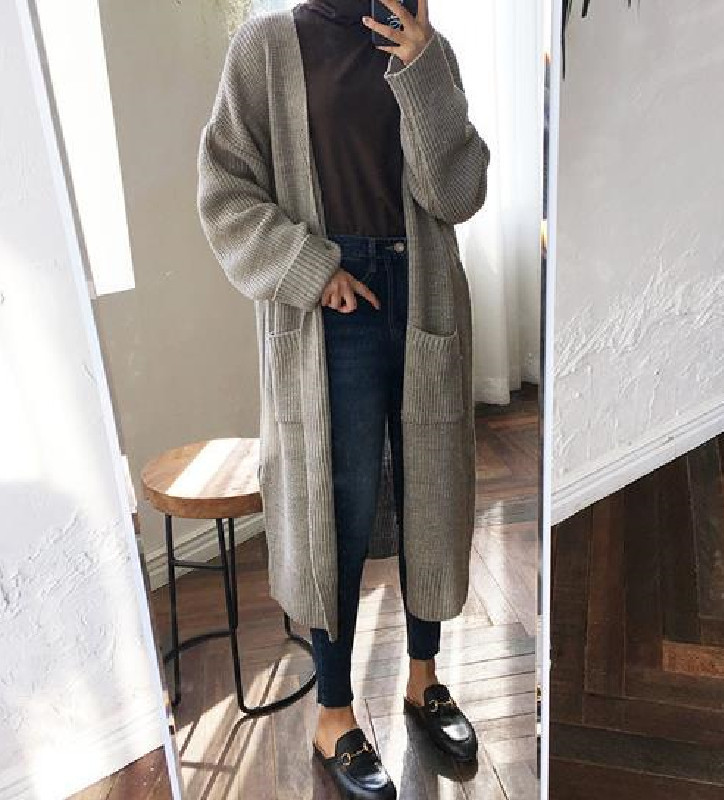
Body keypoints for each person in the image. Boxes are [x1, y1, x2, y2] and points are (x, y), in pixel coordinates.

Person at [197, 1, 490, 797]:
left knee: (431, 491)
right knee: (337, 504)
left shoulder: (423, 46)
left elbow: (457, 194)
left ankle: (423, 679)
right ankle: (332, 712)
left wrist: (423, 69)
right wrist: (311, 268)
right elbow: (224, 192)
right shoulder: (265, 46)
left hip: (423, 287)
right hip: (330, 301)